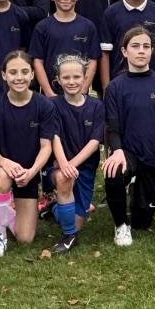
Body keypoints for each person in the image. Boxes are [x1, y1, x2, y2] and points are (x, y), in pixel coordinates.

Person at [102, 27, 155, 246]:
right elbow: (113, 127)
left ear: (152, 51)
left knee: (142, 222)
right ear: (124, 51)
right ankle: (120, 226)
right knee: (113, 170)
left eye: (146, 46)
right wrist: (116, 151)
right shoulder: (115, 88)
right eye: (135, 46)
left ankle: (136, 194)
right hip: (127, 153)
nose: (141, 51)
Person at [0, 51, 58, 258]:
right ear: (4, 75)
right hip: (0, 170)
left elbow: (46, 147)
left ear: (33, 74)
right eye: (13, 72)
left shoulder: (44, 105)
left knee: (25, 238)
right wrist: (5, 163)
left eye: (25, 72)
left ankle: (1, 213)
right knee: (3, 176)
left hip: (28, 175)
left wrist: (32, 171)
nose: (19, 77)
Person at [47, 53, 104, 254]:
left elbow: (94, 142)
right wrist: (65, 164)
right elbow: (54, 138)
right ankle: (69, 236)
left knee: (77, 220)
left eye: (76, 77)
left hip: (85, 168)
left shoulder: (96, 106)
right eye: (66, 78)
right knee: (63, 179)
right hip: (59, 166)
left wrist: (73, 164)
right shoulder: (52, 105)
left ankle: (54, 208)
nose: (72, 82)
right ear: (58, 80)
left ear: (85, 77)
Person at [29, 0, 100, 97]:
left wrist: (83, 91)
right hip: (52, 96)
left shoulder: (88, 27)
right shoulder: (42, 27)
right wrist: (49, 94)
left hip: (79, 97)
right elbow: (38, 62)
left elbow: (92, 61)